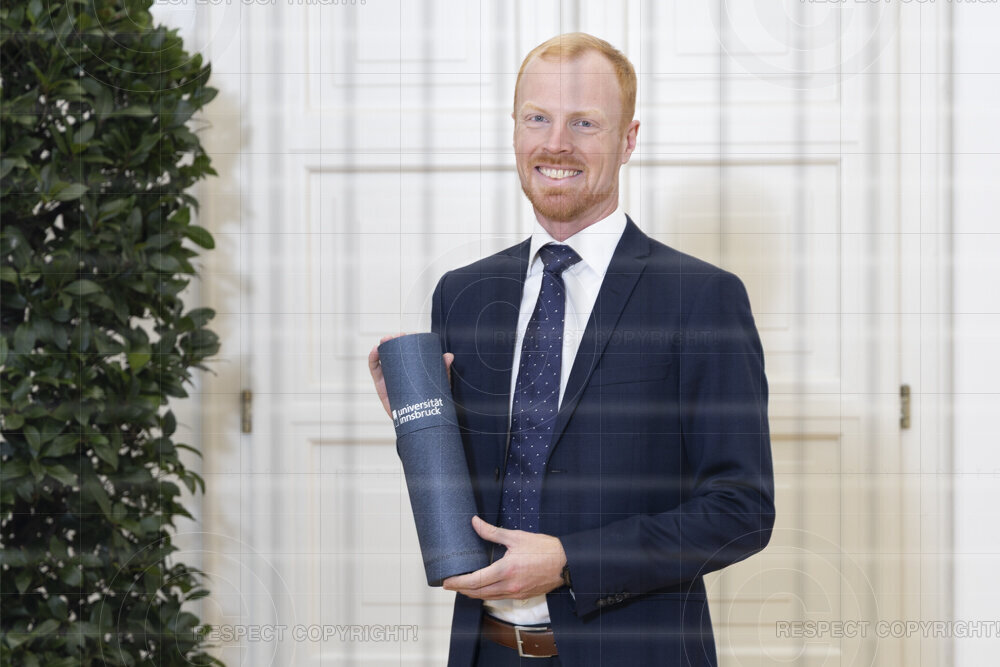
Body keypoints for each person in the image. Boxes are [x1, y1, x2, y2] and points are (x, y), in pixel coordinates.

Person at [369, 32, 775, 667]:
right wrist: (419, 428)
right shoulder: (464, 294)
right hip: (486, 651)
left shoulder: (701, 298)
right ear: (514, 129)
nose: (556, 143)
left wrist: (571, 562)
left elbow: (741, 510)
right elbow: (472, 495)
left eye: (585, 123)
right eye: (538, 118)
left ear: (628, 140)